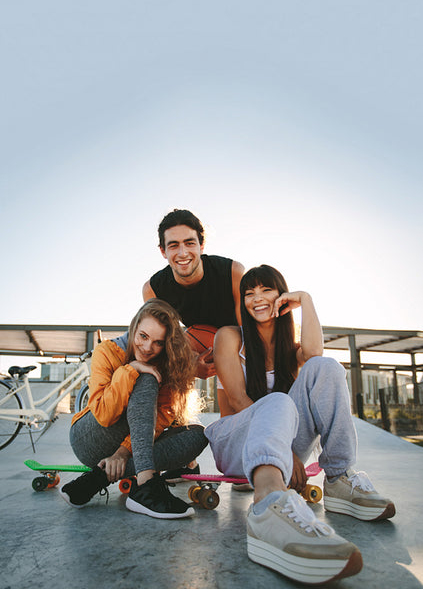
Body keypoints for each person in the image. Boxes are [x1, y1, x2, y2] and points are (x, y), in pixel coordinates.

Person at [204, 265, 396, 584]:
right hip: (235, 442)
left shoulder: (288, 349)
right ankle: (267, 508)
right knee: (277, 401)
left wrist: (306, 300)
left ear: (282, 296)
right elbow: (237, 400)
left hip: (281, 448)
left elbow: (314, 354)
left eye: (266, 290)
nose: (257, 298)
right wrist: (288, 453)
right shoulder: (229, 336)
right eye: (249, 293)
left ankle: (338, 478)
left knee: (326, 366)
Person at [60, 299, 208, 519]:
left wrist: (122, 453)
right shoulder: (107, 351)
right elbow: (103, 414)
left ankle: (99, 478)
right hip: (90, 437)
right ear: (134, 327)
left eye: (158, 342)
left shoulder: (168, 366)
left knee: (198, 434)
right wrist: (130, 370)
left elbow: (158, 419)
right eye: (143, 336)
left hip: (131, 449)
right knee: (146, 378)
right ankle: (146, 483)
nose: (148, 348)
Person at [143, 208, 245, 380]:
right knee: (151, 368)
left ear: (201, 245)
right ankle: (167, 408)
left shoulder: (232, 272)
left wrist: (228, 354)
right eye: (174, 245)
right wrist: (190, 364)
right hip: (197, 345)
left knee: (241, 402)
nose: (183, 253)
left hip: (240, 344)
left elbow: (248, 330)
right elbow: (160, 345)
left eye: (189, 243)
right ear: (163, 251)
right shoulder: (154, 289)